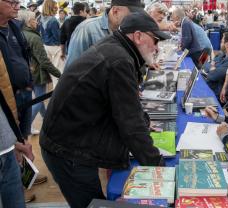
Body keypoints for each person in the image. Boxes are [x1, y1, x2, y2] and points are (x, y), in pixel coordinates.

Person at [40, 12, 170, 208]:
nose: (157, 47)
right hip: (68, 150)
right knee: (91, 203)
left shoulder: (117, 49)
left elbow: (121, 104)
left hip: (71, 139)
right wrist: (157, 165)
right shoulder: (119, 60)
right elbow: (130, 122)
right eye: (155, 40)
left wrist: (143, 121)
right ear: (138, 36)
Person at [0, 0, 42, 204]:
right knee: (12, 142)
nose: (17, 6)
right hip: (7, 101)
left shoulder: (15, 26)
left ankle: (27, 178)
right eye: (11, 2)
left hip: (23, 93)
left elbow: (24, 56)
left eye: (18, 2)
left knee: (23, 138)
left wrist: (29, 81)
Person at [64, 0, 144, 69]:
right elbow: (72, 67)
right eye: (131, 15)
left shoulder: (125, 31)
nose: (135, 18)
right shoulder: (87, 29)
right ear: (115, 11)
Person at [18, 10, 61, 134]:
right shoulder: (34, 37)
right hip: (37, 73)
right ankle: (25, 127)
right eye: (34, 19)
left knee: (39, 98)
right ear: (27, 22)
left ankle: (47, 120)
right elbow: (44, 62)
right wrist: (59, 74)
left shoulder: (21, 33)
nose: (37, 22)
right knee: (40, 99)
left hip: (28, 71)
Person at [203, 32, 228, 99]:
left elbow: (212, 75)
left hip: (215, 93)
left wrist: (212, 66)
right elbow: (205, 65)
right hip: (208, 84)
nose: (220, 43)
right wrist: (212, 67)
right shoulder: (221, 54)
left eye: (222, 41)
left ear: (227, 45)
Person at [40, 0, 63, 71]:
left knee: (49, 68)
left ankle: (50, 81)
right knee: (58, 69)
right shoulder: (53, 20)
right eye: (55, 7)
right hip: (55, 47)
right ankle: (57, 82)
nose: (57, 9)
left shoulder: (41, 18)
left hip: (45, 45)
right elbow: (57, 36)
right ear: (50, 8)